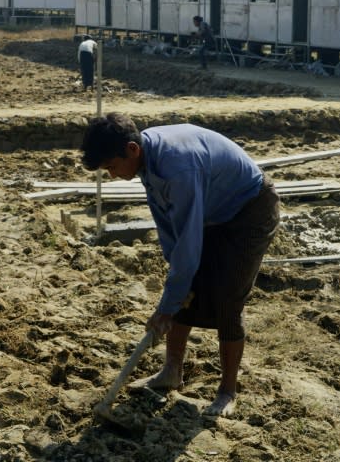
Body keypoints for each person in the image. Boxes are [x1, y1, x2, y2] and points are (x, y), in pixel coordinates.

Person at [80, 113, 281, 417]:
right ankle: (171, 372)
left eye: (111, 167)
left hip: (250, 210)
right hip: (215, 211)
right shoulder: (146, 158)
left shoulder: (178, 167)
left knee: (227, 297)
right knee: (186, 285)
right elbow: (170, 229)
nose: (111, 175)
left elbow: (188, 240)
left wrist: (166, 305)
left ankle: (227, 391)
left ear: (132, 150)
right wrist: (174, 286)